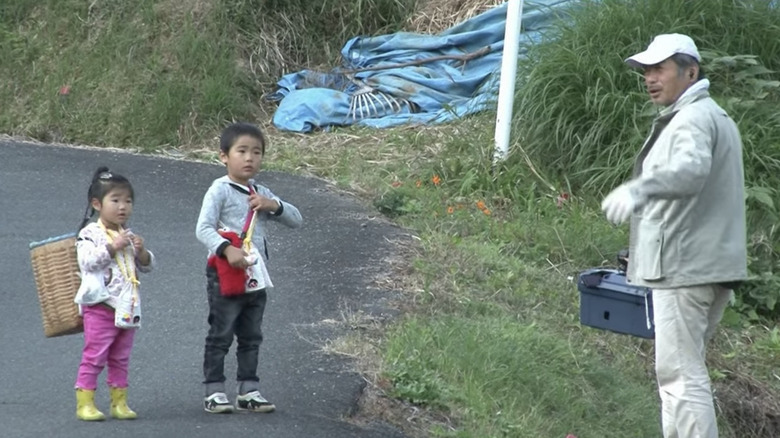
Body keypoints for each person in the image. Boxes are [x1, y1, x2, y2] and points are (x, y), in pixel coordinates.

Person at [601, 33, 748, 437]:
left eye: (659, 68)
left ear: (690, 71)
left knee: (680, 378)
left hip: (686, 268)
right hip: (711, 264)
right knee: (686, 371)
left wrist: (640, 189)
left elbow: (690, 169)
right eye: (646, 70)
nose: (650, 78)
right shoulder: (716, 116)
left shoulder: (692, 118)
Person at [196, 122, 302, 413]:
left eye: (257, 152)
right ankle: (214, 390)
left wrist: (273, 204)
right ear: (223, 156)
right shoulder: (219, 190)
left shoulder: (261, 191)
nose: (249, 158)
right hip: (225, 273)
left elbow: (296, 219)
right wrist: (226, 248)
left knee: (251, 334)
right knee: (221, 332)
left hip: (256, 274)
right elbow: (203, 228)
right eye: (241, 151)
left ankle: (248, 390)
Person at [73, 166, 155, 421]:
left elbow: (148, 266)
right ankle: (85, 402)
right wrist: (111, 247)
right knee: (95, 354)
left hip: (127, 306)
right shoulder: (90, 234)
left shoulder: (127, 235)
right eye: (116, 200)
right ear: (97, 204)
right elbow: (87, 262)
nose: (123, 207)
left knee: (121, 356)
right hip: (100, 305)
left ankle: (119, 402)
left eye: (128, 201)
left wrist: (141, 252)